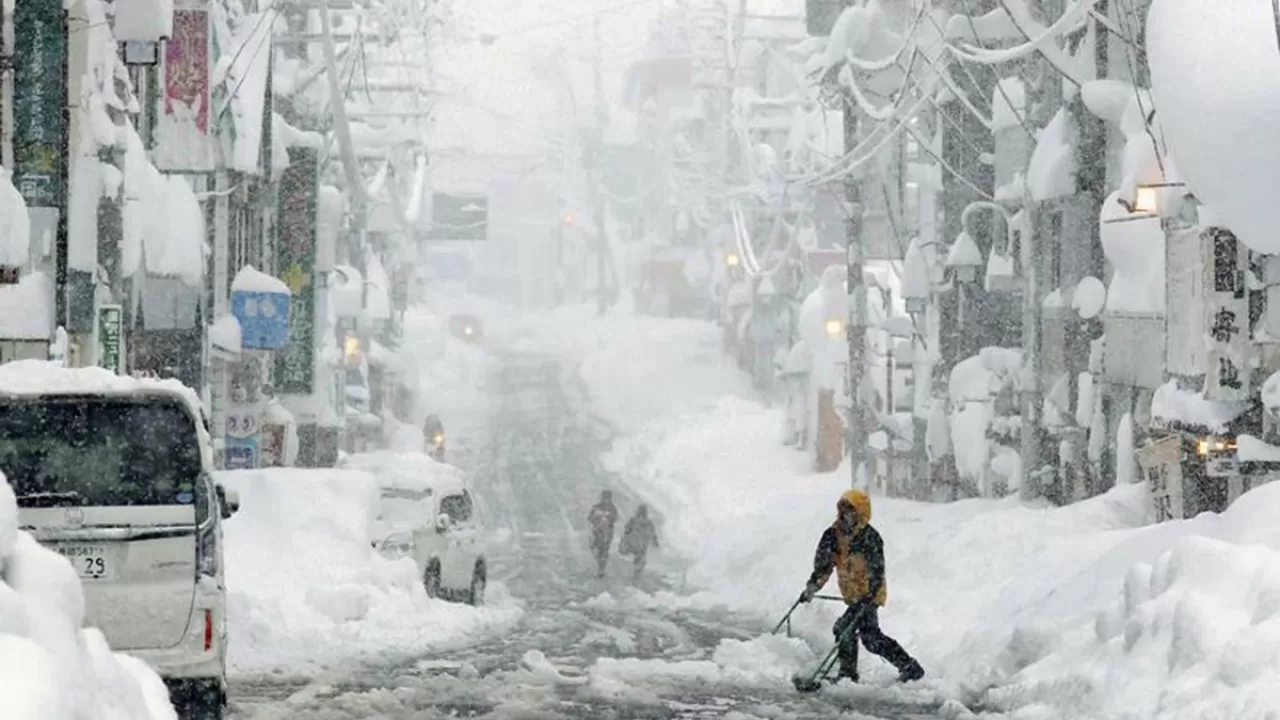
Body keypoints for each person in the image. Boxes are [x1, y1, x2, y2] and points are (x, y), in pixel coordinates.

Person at [800, 489, 924, 684]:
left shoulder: (869, 537)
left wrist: (871, 595)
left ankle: (848, 675)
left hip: (869, 595)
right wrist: (812, 587)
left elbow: (877, 570)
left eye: (850, 510)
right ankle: (909, 667)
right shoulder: (832, 535)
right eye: (842, 509)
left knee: (844, 628)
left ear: (860, 512)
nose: (845, 514)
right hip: (854, 596)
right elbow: (824, 566)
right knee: (871, 639)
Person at [619, 504, 660, 581]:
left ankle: (636, 574)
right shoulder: (648, 523)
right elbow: (653, 534)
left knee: (636, 558)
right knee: (639, 560)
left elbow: (626, 530)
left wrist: (626, 537)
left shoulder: (633, 520)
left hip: (633, 544)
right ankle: (637, 574)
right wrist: (655, 542)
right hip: (641, 546)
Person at [587, 491, 619, 578]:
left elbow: (615, 519)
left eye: (607, 498)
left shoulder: (612, 508)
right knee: (595, 549)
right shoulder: (596, 507)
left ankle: (601, 569)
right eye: (604, 497)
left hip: (607, 533)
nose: (606, 500)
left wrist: (608, 520)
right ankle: (600, 564)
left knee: (604, 551)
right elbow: (589, 518)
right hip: (597, 532)